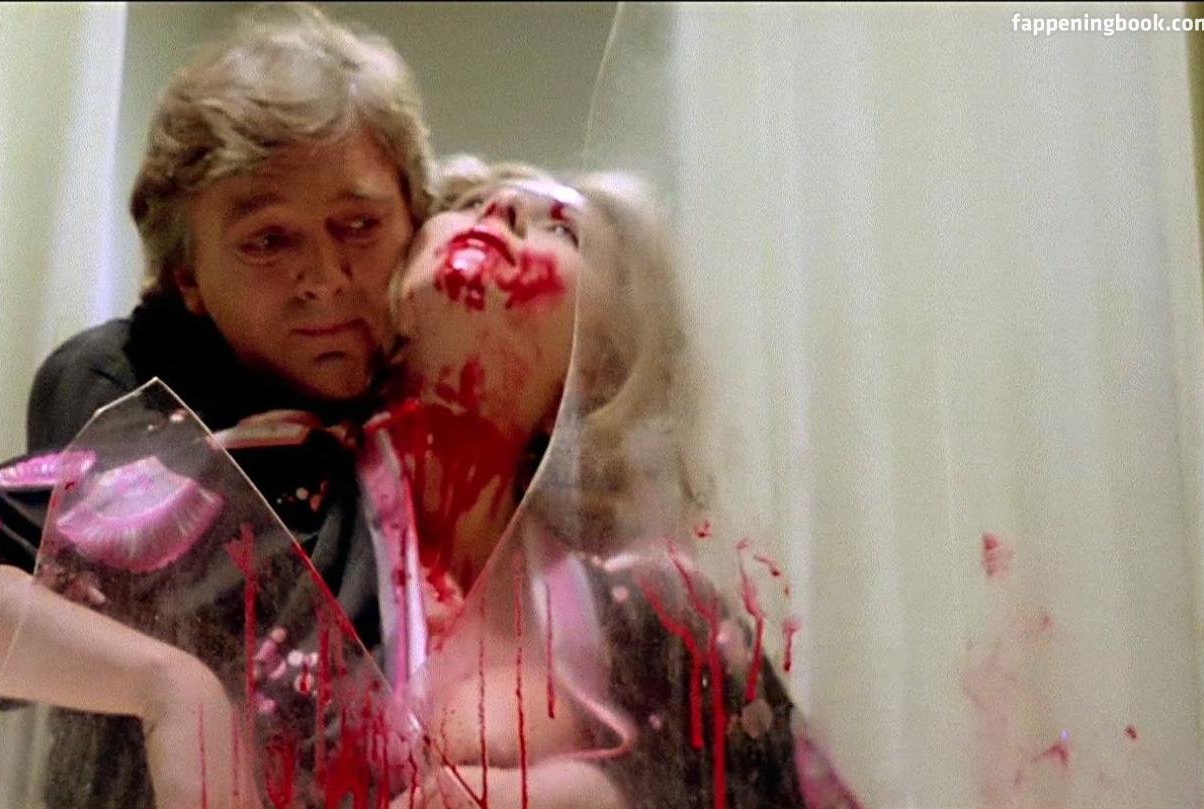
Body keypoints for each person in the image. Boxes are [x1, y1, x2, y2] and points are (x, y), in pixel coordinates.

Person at [0, 6, 431, 809]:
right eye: (268, 240)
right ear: (187, 276)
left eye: (359, 225)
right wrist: (169, 683)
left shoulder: (461, 408)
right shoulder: (135, 398)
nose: (324, 278)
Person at [361, 158, 863, 809]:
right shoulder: (279, 520)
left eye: (562, 231)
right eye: (471, 201)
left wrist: (598, 797)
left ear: (597, 365)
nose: (500, 209)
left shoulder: (659, 612)